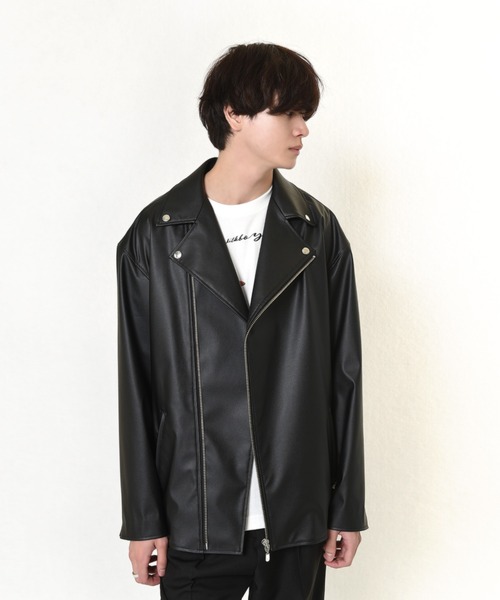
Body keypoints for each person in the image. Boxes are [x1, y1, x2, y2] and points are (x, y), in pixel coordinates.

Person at [117, 42, 367, 600]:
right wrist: (143, 519)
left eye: (305, 113)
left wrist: (346, 505)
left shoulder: (318, 232)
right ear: (234, 114)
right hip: (194, 518)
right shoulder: (155, 236)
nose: (303, 128)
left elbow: (344, 377)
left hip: (297, 519)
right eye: (288, 112)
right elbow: (136, 384)